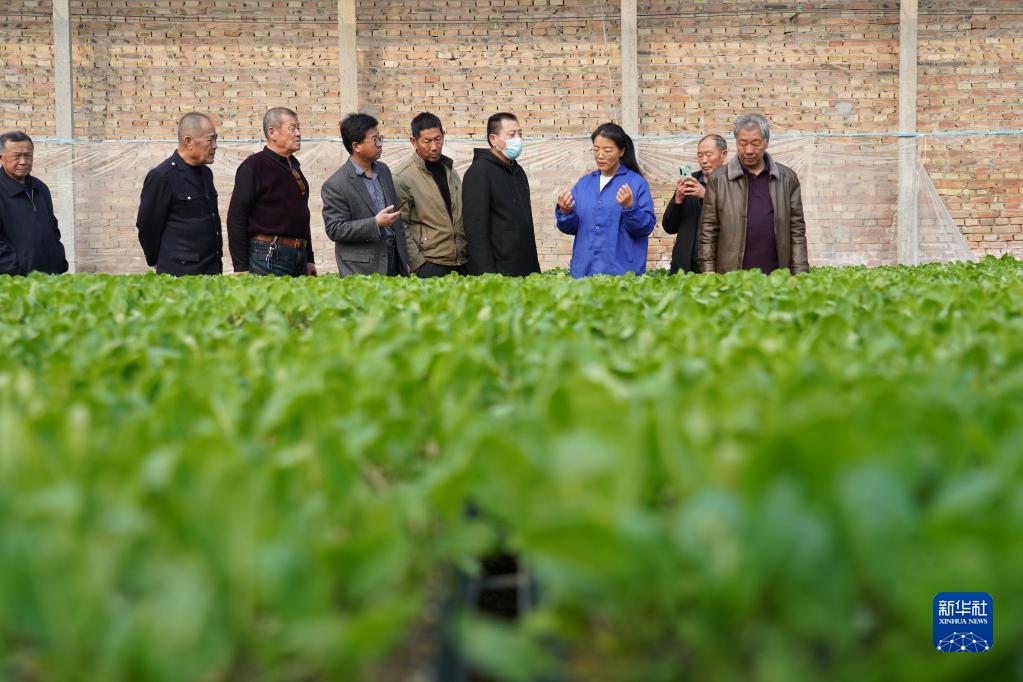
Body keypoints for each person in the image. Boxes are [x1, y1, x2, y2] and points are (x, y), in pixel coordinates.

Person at [698, 113, 808, 275]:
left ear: (766, 142)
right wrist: (708, 273)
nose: (749, 150)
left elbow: (796, 231)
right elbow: (708, 231)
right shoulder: (719, 179)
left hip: (777, 277)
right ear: (736, 142)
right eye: (743, 144)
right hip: (732, 277)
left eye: (755, 143)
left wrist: (800, 275)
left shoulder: (787, 178)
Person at [554, 122, 656, 278]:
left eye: (607, 150)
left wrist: (630, 207)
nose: (600, 155)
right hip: (584, 272)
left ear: (621, 151)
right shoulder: (584, 184)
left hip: (621, 275)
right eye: (596, 149)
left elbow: (645, 227)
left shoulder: (636, 183)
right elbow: (571, 228)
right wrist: (565, 212)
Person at [227, 107, 317, 276]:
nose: (298, 133)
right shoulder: (253, 166)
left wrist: (309, 258)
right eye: (292, 128)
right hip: (268, 255)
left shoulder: (295, 168)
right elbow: (236, 218)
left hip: (298, 256)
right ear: (272, 132)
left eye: (299, 128)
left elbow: (302, 216)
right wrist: (241, 267)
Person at [321, 113, 409, 276]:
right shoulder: (336, 184)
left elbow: (397, 222)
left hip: (393, 260)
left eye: (380, 138)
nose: (380, 144)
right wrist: (375, 223)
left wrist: (404, 260)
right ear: (356, 146)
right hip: (362, 269)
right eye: (375, 140)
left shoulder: (383, 170)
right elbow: (335, 229)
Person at [136, 113, 223, 275]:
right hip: (180, 272)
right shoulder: (162, 176)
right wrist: (157, 259)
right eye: (210, 140)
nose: (215, 146)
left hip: (210, 269)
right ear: (188, 141)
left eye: (216, 139)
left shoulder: (206, 174)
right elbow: (147, 226)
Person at [462, 112, 540, 276]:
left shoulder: (518, 171)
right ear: (493, 139)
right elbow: (475, 229)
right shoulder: (480, 172)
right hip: (500, 272)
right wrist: (488, 275)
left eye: (520, 134)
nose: (518, 139)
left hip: (525, 269)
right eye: (512, 135)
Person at [393, 112, 468, 278]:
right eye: (427, 141)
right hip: (430, 264)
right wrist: (418, 264)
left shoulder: (450, 170)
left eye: (438, 139)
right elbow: (399, 226)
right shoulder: (402, 176)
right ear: (413, 141)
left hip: (461, 262)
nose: (434, 147)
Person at [0, 130, 68, 275]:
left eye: (28, 156)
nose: (23, 162)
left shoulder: (40, 188)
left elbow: (53, 230)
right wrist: (16, 272)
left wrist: (60, 262)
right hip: (15, 280)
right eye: (16, 156)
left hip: (50, 276)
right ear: (1, 158)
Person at [661, 134, 727, 274]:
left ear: (723, 155)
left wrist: (706, 195)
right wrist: (678, 201)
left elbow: (736, 221)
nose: (704, 160)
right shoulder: (690, 181)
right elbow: (669, 227)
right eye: (700, 155)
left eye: (708, 155)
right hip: (684, 267)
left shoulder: (734, 184)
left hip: (717, 267)